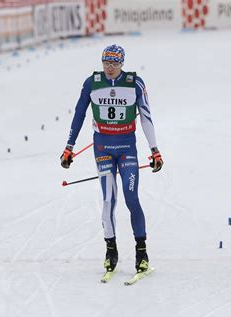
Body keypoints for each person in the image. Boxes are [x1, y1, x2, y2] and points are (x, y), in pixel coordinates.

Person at [60, 44, 163, 274]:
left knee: (131, 198)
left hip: (127, 148)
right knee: (108, 200)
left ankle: (141, 251)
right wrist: (69, 147)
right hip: (103, 148)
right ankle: (111, 250)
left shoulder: (134, 83)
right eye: (106, 63)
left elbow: (146, 118)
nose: (109, 67)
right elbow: (79, 114)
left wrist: (155, 150)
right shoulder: (92, 83)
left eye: (115, 63)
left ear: (122, 64)